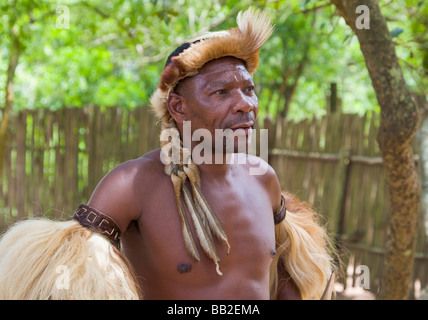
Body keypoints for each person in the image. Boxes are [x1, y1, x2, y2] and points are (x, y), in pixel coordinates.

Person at [0, 8, 334, 300]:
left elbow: (290, 266)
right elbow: (74, 280)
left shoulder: (264, 178)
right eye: (222, 92)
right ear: (179, 107)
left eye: (249, 89)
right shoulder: (131, 184)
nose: (246, 103)